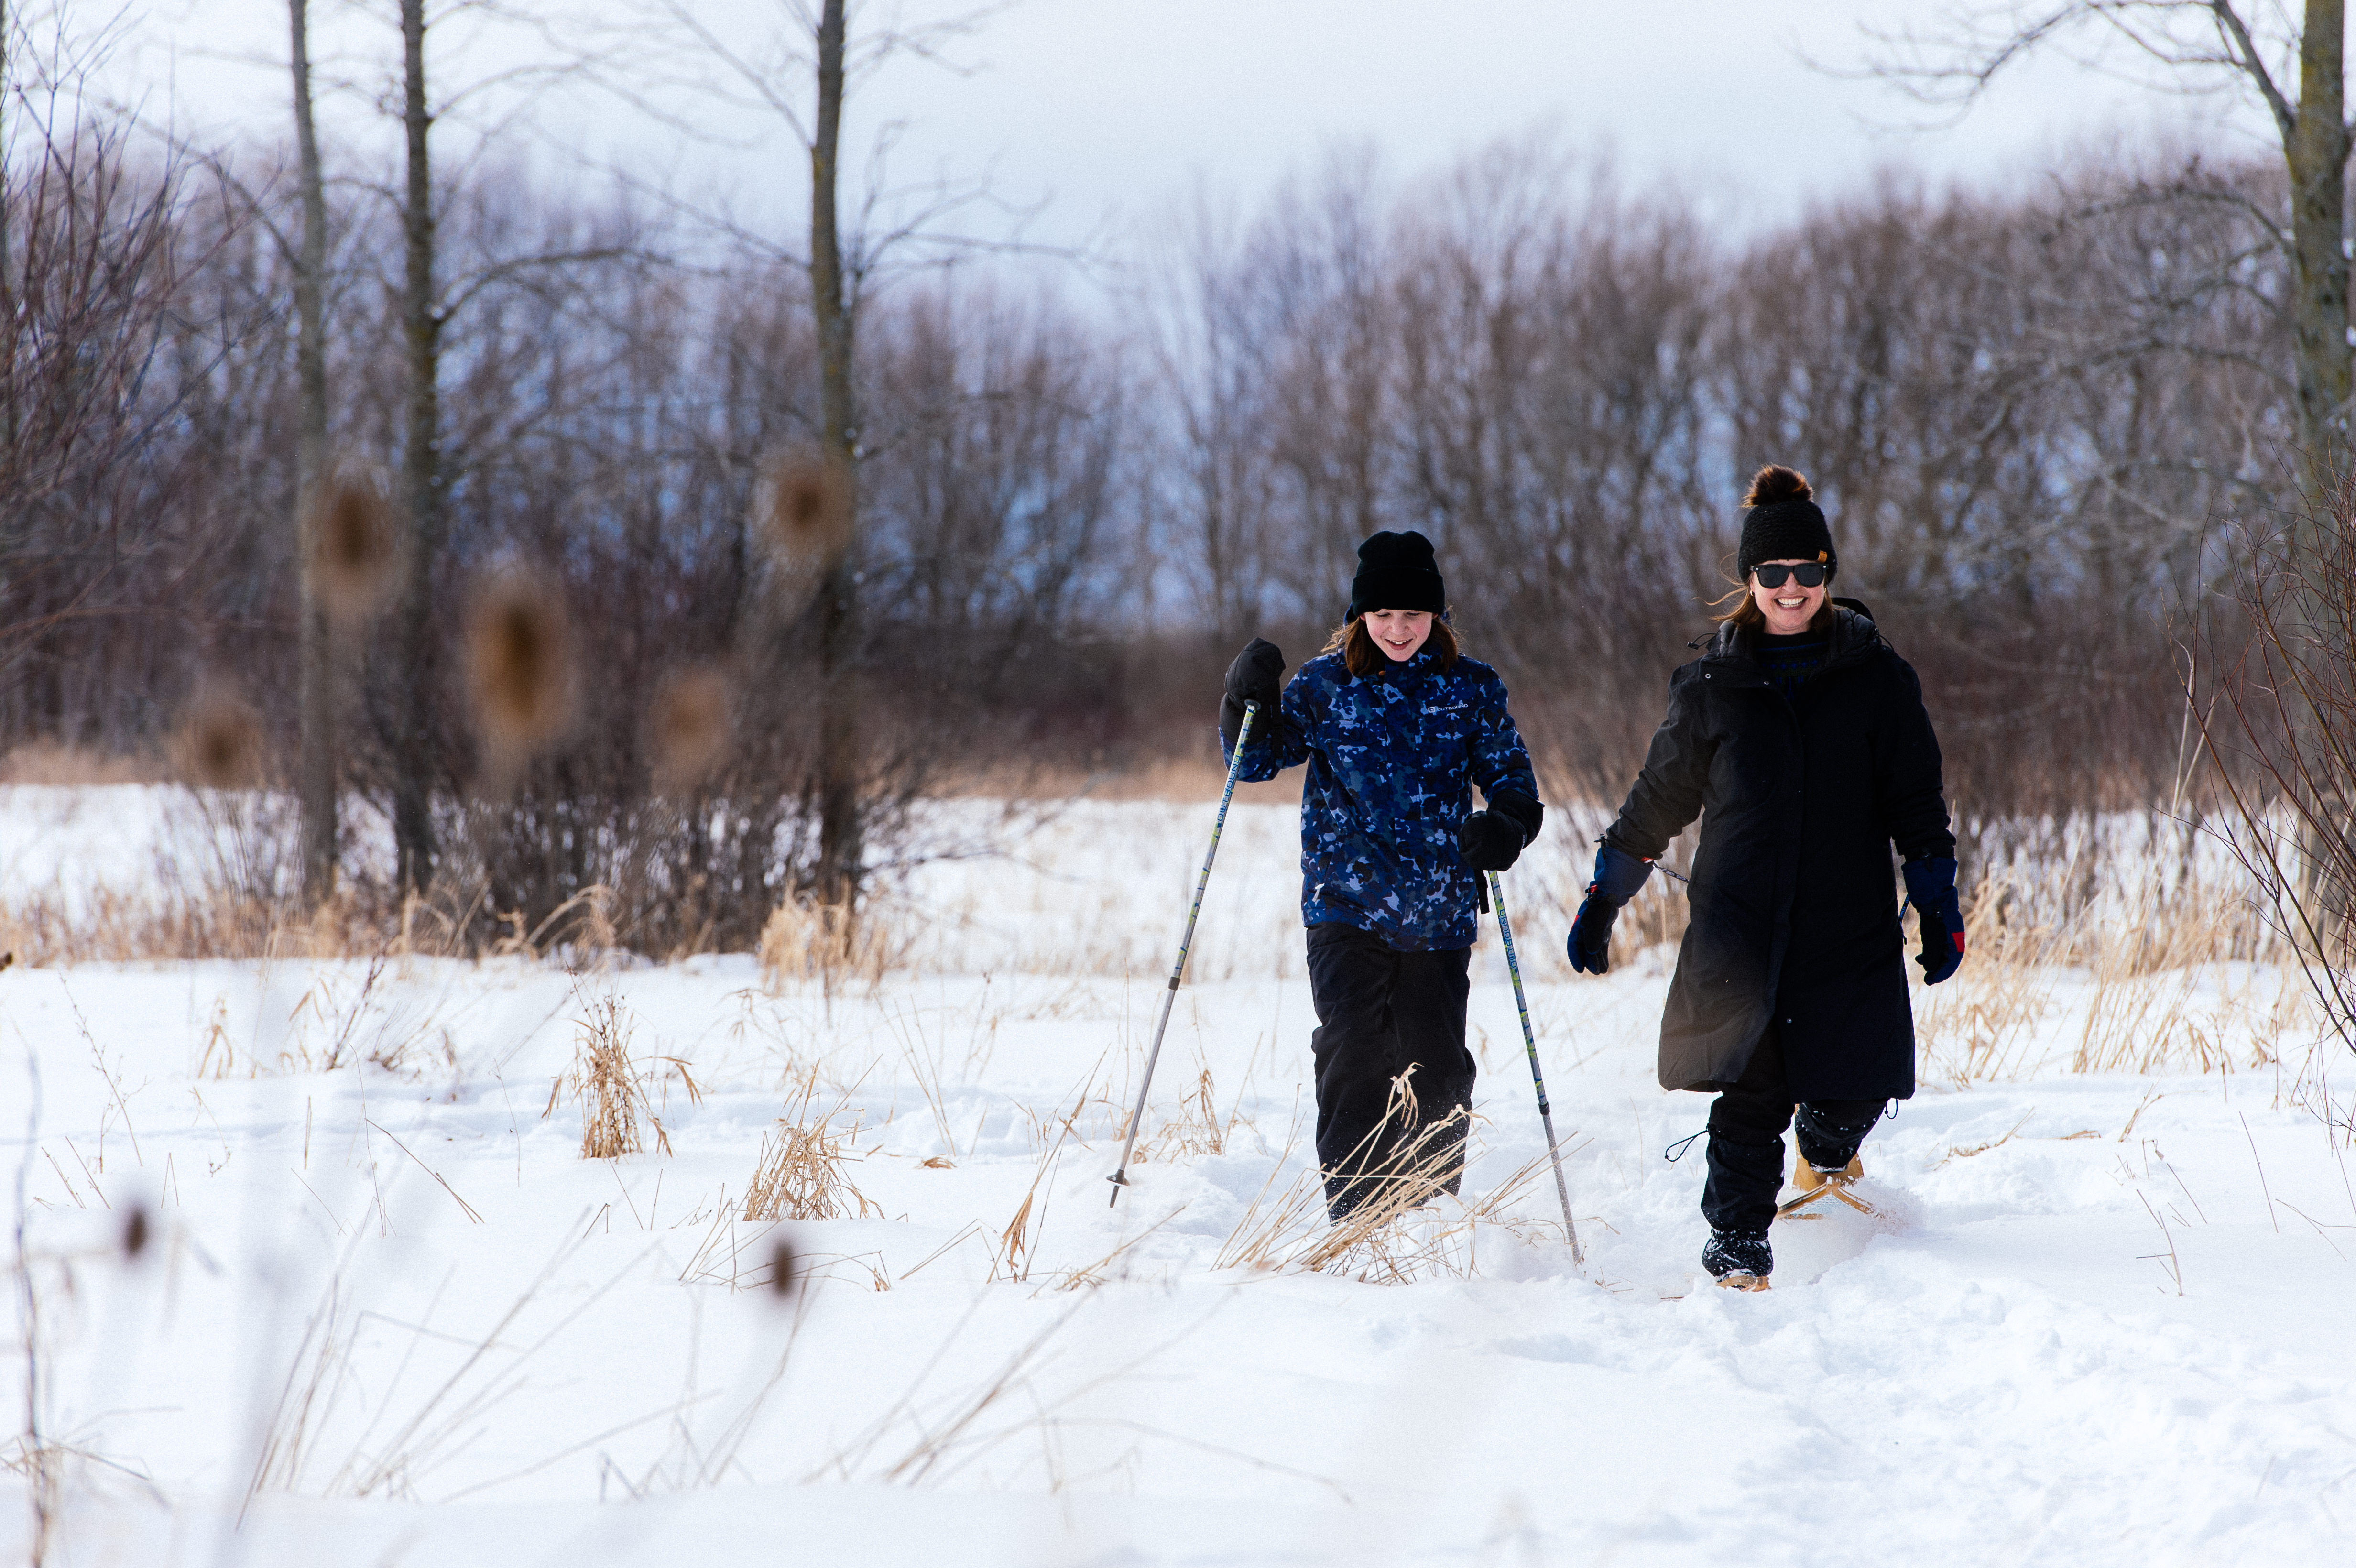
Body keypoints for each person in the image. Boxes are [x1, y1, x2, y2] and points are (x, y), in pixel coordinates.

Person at [1566, 465, 1963, 1289]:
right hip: (1741, 922)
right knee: (1750, 1088)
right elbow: (1656, 802)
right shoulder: (1714, 684)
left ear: (1827, 575)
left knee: (1851, 1083)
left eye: (1807, 573)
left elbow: (1917, 806)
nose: (1791, 589)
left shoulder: (1879, 681)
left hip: (1845, 922)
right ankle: (1738, 1242)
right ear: (1750, 580)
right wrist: (1604, 898)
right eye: (1774, 574)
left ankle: (1827, 1143)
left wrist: (1938, 903)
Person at [1222, 531, 1543, 1219]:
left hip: (1440, 912)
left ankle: (1429, 1216)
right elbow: (1251, 763)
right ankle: (1358, 1214)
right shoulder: (1323, 685)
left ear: (1438, 616)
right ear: (1359, 615)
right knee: (1353, 1050)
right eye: (1385, 615)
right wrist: (1242, 701)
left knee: (1435, 1064)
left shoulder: (1471, 687)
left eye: (1415, 615)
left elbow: (1514, 779)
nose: (1400, 630)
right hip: (1345, 906)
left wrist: (1506, 826)